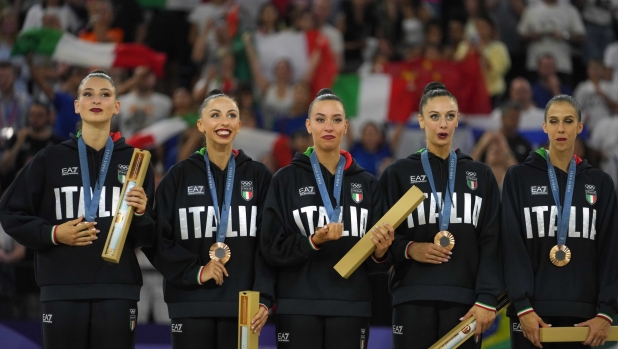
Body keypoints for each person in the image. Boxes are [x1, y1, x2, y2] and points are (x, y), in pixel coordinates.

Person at [0, 69, 155, 348]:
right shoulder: (49, 158)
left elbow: (148, 237)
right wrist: (54, 234)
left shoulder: (136, 163)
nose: (96, 100)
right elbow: (10, 212)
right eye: (88, 94)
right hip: (61, 288)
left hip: (117, 288)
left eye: (105, 94)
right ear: (77, 106)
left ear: (116, 106)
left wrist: (142, 215)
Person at [260, 88, 393, 349]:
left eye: (336, 119)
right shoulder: (285, 180)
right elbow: (270, 247)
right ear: (308, 125)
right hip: (297, 305)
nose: (328, 126)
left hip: (352, 306)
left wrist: (382, 251)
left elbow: (378, 264)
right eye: (320, 119)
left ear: (346, 126)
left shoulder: (367, 184)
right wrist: (312, 240)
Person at [143, 89, 273, 349]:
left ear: (238, 125)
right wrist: (196, 271)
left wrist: (265, 297)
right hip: (190, 303)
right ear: (200, 124)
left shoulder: (259, 176)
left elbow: (269, 244)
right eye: (215, 115)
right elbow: (156, 240)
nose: (224, 122)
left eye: (231, 115)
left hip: (244, 305)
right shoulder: (177, 177)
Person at [381, 82, 503, 349]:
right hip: (411, 295)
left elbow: (492, 240)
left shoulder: (481, 176)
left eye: (449, 116)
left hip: (466, 300)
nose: (443, 124)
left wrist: (486, 298)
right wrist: (410, 249)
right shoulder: (398, 174)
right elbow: (380, 240)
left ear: (458, 120)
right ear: (421, 121)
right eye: (434, 116)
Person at [502, 95, 618, 349]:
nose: (561, 129)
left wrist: (606, 312)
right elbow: (511, 245)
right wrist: (523, 307)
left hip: (586, 319)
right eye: (554, 121)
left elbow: (611, 250)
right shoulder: (519, 177)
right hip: (531, 315)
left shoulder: (600, 183)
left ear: (580, 126)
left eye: (568, 121)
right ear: (544, 126)